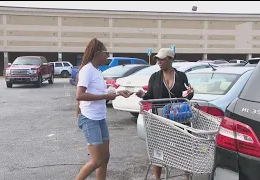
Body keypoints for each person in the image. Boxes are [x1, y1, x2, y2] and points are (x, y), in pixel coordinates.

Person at [75, 38, 133, 180]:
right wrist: (106, 96)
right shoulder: (87, 70)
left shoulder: (97, 71)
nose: (108, 56)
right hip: (89, 119)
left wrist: (117, 92)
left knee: (105, 157)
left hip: (100, 118)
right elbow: (80, 95)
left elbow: (100, 92)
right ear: (97, 53)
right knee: (96, 161)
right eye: (106, 53)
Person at [135, 48, 194, 180]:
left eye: (162, 59)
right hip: (159, 119)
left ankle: (187, 175)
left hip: (179, 118)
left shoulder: (181, 76)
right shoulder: (155, 77)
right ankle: (157, 177)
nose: (159, 62)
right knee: (158, 148)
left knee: (183, 147)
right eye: (158, 59)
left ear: (170, 59)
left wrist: (190, 93)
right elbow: (149, 96)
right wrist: (143, 95)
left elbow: (186, 96)